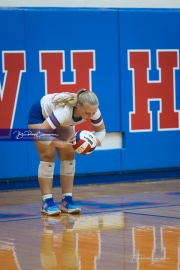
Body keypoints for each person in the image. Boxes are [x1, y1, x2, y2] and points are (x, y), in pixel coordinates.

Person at [28, 88, 106, 215]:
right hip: (41, 116)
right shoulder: (64, 112)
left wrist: (93, 143)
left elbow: (101, 131)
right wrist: (61, 143)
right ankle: (46, 201)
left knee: (69, 154)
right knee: (48, 155)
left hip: (61, 121)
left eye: (93, 113)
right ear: (78, 106)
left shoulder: (92, 110)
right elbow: (40, 134)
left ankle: (67, 200)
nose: (90, 117)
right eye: (87, 113)